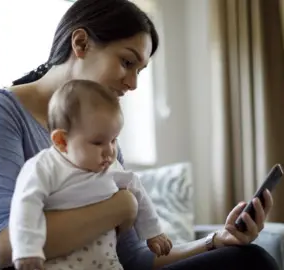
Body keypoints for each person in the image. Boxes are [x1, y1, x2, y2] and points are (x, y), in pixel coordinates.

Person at [0, 0, 280, 269]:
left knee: (249, 260)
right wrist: (121, 206)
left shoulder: (102, 142)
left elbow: (133, 259)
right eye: (126, 62)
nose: (132, 83)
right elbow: (4, 247)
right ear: (80, 43)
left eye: (139, 70)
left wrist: (214, 241)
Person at [9, 79, 172, 270]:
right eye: (98, 142)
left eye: (113, 140)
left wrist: (153, 232)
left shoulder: (110, 167)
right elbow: (26, 203)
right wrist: (27, 249)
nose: (110, 151)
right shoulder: (44, 166)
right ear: (62, 141)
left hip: (107, 262)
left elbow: (135, 187)